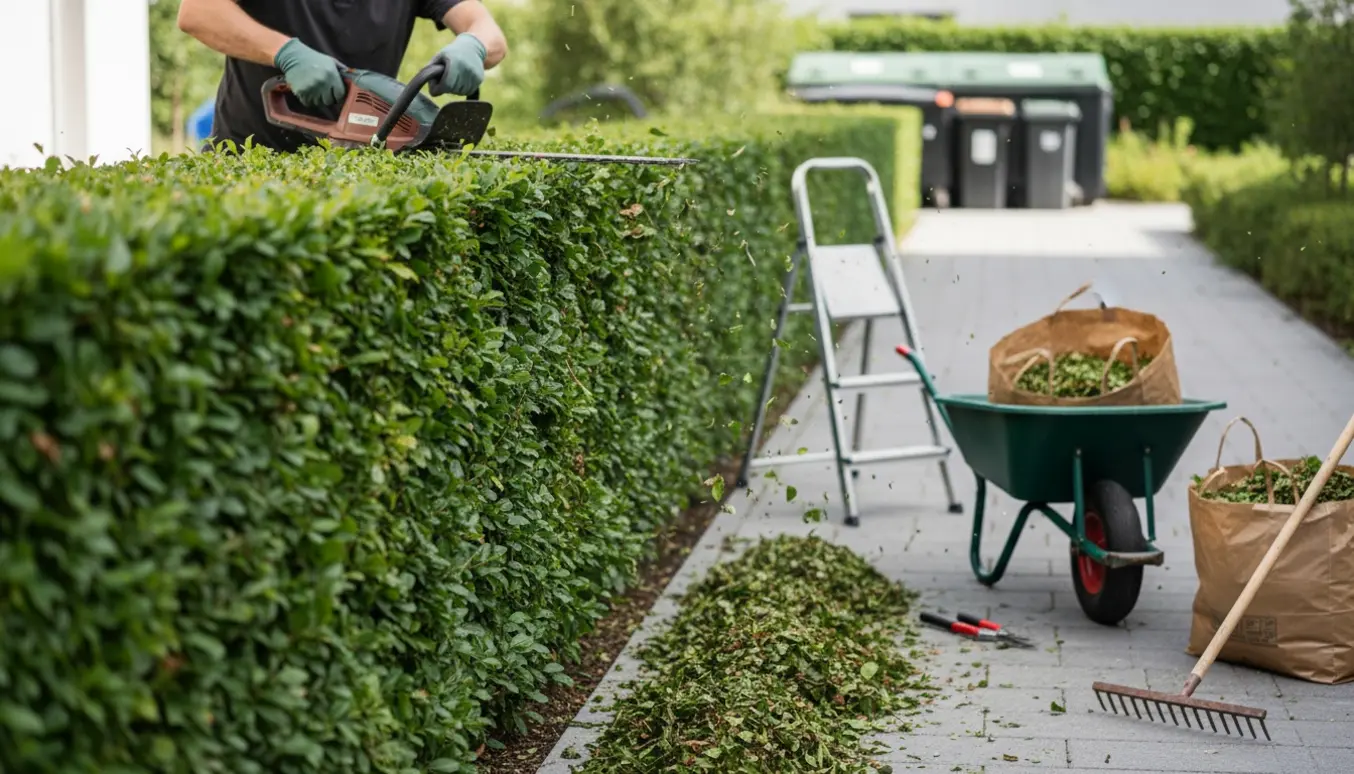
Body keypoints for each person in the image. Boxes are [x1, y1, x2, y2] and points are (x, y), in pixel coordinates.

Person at [178, 0, 508, 153]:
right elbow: (198, 12)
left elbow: (488, 31)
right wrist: (285, 53)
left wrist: (474, 45)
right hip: (248, 160)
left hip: (356, 169)